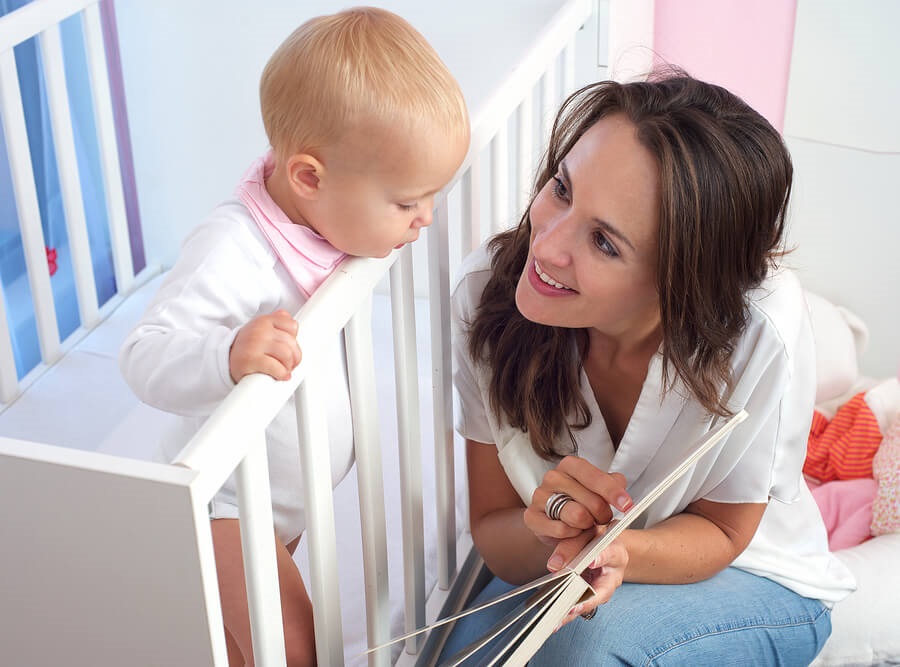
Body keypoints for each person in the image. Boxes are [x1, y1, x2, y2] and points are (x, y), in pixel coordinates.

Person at [440, 73, 855, 665]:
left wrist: (621, 552)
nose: (547, 246)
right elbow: (494, 532)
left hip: (757, 574)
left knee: (585, 652)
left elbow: (725, 533)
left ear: (681, 281)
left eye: (604, 242)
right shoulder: (488, 293)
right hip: (564, 575)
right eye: (562, 188)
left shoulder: (761, 333)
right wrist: (552, 531)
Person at [119, 8, 468, 666]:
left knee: (238, 644)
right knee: (294, 647)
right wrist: (227, 355)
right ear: (310, 177)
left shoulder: (317, 222)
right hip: (223, 500)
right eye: (407, 202)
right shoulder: (231, 248)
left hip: (281, 501)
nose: (425, 218)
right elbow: (144, 354)